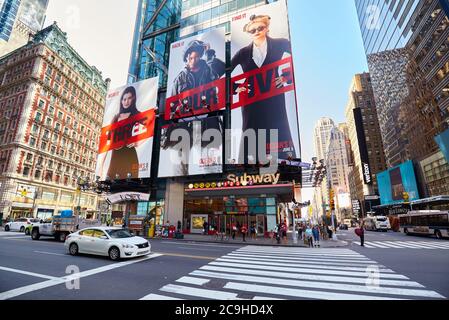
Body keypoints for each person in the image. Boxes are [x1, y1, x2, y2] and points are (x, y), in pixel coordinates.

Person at [231, 14, 296, 162]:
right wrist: (236, 87)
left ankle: (285, 162)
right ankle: (248, 164)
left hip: (274, 98)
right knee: (250, 134)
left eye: (260, 28)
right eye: (252, 30)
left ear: (267, 28)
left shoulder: (281, 43)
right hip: (250, 102)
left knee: (278, 130)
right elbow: (223, 73)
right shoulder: (242, 53)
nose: (256, 32)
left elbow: (299, 58)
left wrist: (286, 77)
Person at [98, 86, 141, 180]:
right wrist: (101, 166)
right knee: (112, 188)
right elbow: (107, 142)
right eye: (124, 99)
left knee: (129, 187)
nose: (126, 101)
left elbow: (149, 128)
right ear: (121, 101)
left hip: (130, 157)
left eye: (129, 98)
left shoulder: (137, 114)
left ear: (133, 99)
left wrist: (138, 142)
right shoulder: (115, 117)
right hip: (114, 158)